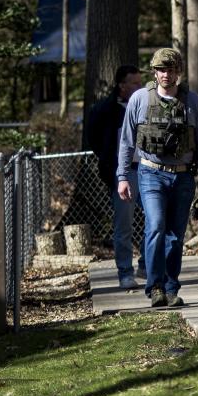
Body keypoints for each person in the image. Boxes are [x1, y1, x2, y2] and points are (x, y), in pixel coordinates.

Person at [117, 48, 198, 308]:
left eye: (170, 70)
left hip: (183, 177)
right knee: (156, 226)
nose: (166, 75)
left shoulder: (193, 102)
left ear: (178, 72)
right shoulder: (140, 99)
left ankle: (171, 287)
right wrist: (123, 176)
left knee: (175, 236)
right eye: (161, 70)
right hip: (150, 173)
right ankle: (155, 286)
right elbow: (127, 141)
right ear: (154, 72)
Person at [86, 64, 144, 289]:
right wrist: (111, 162)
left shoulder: (147, 105)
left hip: (148, 169)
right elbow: (93, 139)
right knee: (124, 225)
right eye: (135, 83)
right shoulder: (105, 110)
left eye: (141, 82)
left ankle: (147, 266)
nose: (140, 87)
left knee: (156, 221)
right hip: (124, 172)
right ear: (121, 85)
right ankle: (125, 273)